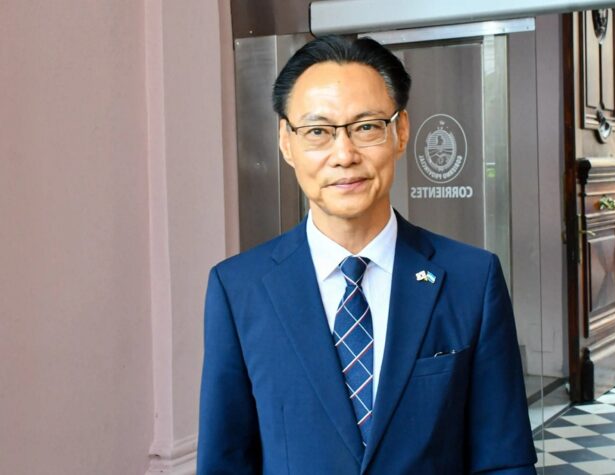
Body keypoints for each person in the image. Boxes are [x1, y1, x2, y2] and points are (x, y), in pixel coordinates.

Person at [197, 35, 537, 474]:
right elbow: (224, 461)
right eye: (318, 131)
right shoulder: (238, 289)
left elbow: (503, 460)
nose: (344, 155)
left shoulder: (472, 279)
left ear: (400, 131)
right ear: (286, 141)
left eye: (366, 127)